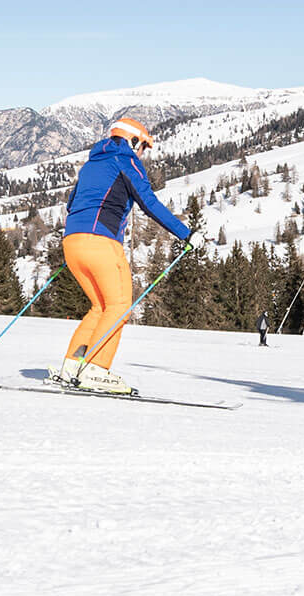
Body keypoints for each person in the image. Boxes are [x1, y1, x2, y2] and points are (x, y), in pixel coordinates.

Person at [55, 116, 203, 394]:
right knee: (120, 305)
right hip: (101, 243)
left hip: (72, 243)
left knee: (100, 307)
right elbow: (148, 202)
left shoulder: (91, 164)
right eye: (143, 146)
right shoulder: (126, 161)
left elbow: (71, 203)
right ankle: (95, 369)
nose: (143, 152)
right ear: (132, 140)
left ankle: (72, 366)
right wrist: (186, 233)